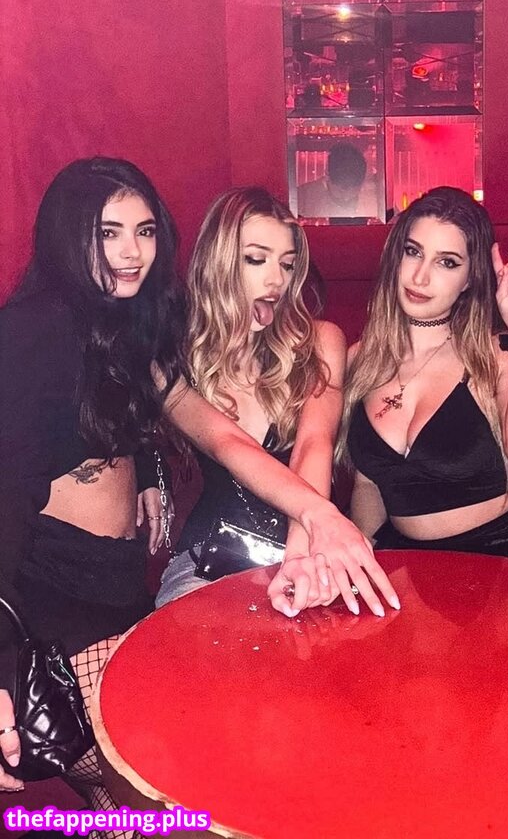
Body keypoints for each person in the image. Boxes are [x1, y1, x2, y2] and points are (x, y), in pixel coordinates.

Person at [0, 158, 398, 808]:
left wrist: (149, 468)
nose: (132, 252)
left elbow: (151, 415)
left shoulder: (130, 325)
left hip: (118, 581)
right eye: (108, 232)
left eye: (145, 231)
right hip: (63, 585)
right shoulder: (39, 329)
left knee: (145, 781)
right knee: (158, 770)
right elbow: (9, 488)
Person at [343, 186, 508, 568]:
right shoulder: (360, 359)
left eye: (447, 262)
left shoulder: (495, 354)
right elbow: (369, 483)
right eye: (413, 252)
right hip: (412, 567)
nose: (420, 276)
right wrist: (359, 558)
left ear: (470, 278)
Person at [156, 187, 347, 610]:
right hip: (209, 562)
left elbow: (314, 443)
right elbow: (229, 444)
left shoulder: (319, 342)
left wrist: (300, 555)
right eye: (256, 259)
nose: (277, 280)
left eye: (287, 264)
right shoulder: (174, 359)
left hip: (310, 550)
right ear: (219, 262)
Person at [296, 141, 374, 219]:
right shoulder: (302, 199)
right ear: (327, 176)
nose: (346, 198)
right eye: (340, 192)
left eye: (354, 191)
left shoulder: (372, 200)